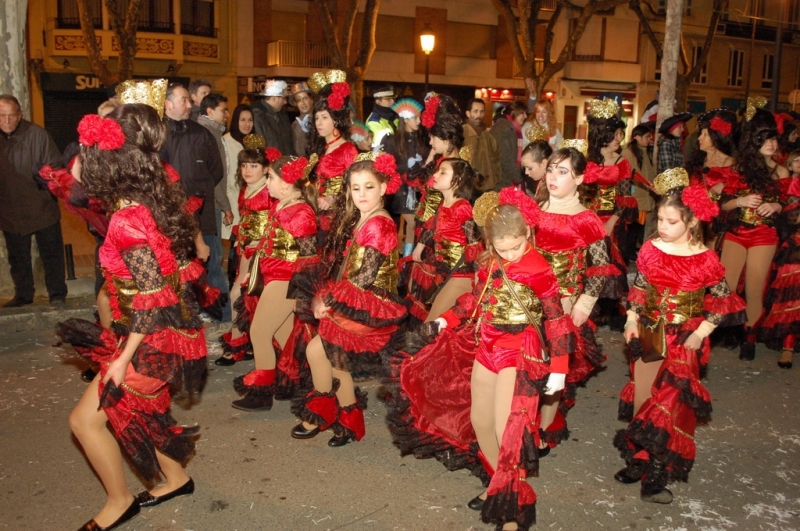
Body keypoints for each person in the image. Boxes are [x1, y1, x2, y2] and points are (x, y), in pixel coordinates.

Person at [386, 188, 577, 530]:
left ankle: (512, 506)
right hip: (486, 344)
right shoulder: (489, 260)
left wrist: (560, 369)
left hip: (520, 348)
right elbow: (476, 300)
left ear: (527, 234)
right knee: (479, 422)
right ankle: (497, 482)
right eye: (500, 248)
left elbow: (556, 319)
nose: (509, 254)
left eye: (515, 247)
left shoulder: (538, 268)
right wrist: (448, 319)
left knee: (509, 431)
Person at [60, 104, 212, 531]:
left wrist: (123, 359)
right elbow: (72, 175)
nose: (80, 160)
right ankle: (177, 478)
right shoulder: (146, 195)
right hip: (155, 328)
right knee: (144, 410)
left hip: (151, 335)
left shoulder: (127, 219)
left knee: (84, 421)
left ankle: (119, 501)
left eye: (89, 152)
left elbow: (152, 296)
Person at [616, 167, 745, 505]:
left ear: (691, 223)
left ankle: (658, 471)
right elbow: (641, 288)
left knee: (670, 405)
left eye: (671, 221)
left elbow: (723, 301)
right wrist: (631, 319)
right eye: (660, 219)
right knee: (644, 397)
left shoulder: (705, 259)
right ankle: (640, 457)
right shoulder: (651, 249)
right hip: (649, 332)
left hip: (685, 338)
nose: (662, 226)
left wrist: (701, 333)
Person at [290, 155, 406, 446]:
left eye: (369, 187)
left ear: (384, 187)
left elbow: (365, 277)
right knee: (329, 356)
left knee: (323, 351)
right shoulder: (364, 217)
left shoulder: (379, 224)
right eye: (356, 188)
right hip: (354, 297)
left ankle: (333, 411)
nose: (362, 194)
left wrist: (327, 300)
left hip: (368, 303)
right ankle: (344, 415)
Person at [534, 145, 612, 449]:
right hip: (529, 297)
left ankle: (543, 427)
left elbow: (602, 266)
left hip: (564, 300)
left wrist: (584, 304)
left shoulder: (586, 218)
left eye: (563, 171)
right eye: (551, 169)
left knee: (555, 364)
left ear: (579, 178)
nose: (553, 176)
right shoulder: (535, 209)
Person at [231, 154, 320, 409]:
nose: (267, 182)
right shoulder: (280, 205)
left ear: (286, 183)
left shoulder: (301, 211)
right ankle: (302, 383)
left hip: (286, 281)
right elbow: (270, 244)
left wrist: (305, 293)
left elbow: (309, 256)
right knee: (282, 337)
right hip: (273, 277)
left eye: (271, 177)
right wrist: (254, 270)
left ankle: (261, 394)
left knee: (259, 333)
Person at [160, 83, 231, 337]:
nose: (191, 105)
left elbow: (216, 171)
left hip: (202, 213)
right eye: (184, 100)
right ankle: (186, 320)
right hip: (171, 218)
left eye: (190, 101)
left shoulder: (201, 133)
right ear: (168, 104)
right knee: (178, 270)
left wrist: (199, 191)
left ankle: (223, 318)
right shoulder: (158, 134)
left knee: (211, 266)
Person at [719, 107, 789, 361]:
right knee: (723, 286)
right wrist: (740, 201)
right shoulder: (738, 170)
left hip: (764, 235)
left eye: (773, 138)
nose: (771, 144)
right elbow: (723, 204)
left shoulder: (781, 172)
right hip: (737, 233)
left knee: (754, 288)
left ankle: (749, 336)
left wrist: (778, 205)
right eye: (765, 139)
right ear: (754, 141)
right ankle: (722, 330)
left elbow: (791, 206)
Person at [215, 135, 277, 367]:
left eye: (254, 166)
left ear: (265, 168)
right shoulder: (246, 189)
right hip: (246, 249)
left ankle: (245, 345)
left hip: (264, 252)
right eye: (244, 165)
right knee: (242, 296)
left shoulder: (269, 190)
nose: (248, 170)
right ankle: (242, 343)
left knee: (245, 297)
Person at [0, 94, 67, 308]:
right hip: (9, 209)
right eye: (2, 116)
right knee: (18, 258)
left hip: (41, 207)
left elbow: (56, 166)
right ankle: (23, 294)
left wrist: (44, 176)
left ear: (20, 115)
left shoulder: (37, 134)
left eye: (12, 116)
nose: (7, 121)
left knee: (51, 254)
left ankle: (56, 293)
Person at [406, 158, 483, 324]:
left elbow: (475, 244)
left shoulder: (462, 207)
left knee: (431, 326)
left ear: (458, 180)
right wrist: (420, 244)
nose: (435, 175)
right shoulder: (444, 203)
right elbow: (433, 225)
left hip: (461, 275)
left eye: (442, 172)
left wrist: (478, 279)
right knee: (442, 328)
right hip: (445, 275)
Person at [583, 98, 638, 330]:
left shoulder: (622, 161)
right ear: (601, 135)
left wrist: (611, 222)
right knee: (589, 265)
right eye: (614, 134)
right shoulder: (585, 160)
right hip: (586, 219)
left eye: (620, 134)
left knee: (610, 263)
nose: (619, 139)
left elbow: (625, 199)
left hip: (611, 220)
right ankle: (590, 309)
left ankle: (613, 309)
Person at [305, 70, 358, 242]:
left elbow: (354, 187)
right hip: (316, 215)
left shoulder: (348, 149)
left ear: (335, 120)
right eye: (317, 117)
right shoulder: (320, 147)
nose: (318, 123)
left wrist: (332, 198)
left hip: (336, 219)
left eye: (324, 117)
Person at [759, 157, 800, 368]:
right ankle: (788, 346)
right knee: (793, 296)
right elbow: (791, 218)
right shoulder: (796, 183)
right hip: (797, 246)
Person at [381, 97, 429, 257]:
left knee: (415, 223)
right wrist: (406, 167)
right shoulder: (393, 140)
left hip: (418, 189)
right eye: (415, 117)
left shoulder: (422, 139)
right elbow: (388, 166)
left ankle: (407, 256)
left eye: (420, 116)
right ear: (406, 118)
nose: (419, 120)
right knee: (412, 222)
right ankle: (404, 256)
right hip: (401, 190)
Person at [684, 108, 738, 250]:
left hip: (716, 221)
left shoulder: (730, 163)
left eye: (705, 135)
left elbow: (734, 191)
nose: (699, 138)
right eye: (700, 134)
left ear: (715, 138)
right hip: (692, 218)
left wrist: (723, 187)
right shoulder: (696, 161)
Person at [197, 93, 234, 263]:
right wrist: (225, 206)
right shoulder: (209, 134)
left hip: (207, 202)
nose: (227, 115)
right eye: (223, 110)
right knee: (215, 254)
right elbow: (216, 175)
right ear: (210, 112)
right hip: (210, 204)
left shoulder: (209, 132)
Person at [221, 104, 254, 282]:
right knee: (231, 249)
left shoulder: (254, 141)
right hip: (233, 201)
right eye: (243, 119)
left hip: (250, 202)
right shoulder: (226, 141)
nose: (247, 124)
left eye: (250, 120)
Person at [621, 122, 657, 256]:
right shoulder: (628, 152)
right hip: (635, 196)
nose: (649, 140)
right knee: (632, 227)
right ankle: (628, 253)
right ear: (636, 137)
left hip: (643, 195)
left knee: (637, 227)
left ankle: (631, 251)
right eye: (647, 137)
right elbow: (627, 175)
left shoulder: (644, 151)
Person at [463, 98, 502, 191]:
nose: (478, 115)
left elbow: (496, 158)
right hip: (466, 188)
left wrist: (495, 178)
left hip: (487, 188)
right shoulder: (461, 134)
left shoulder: (488, 136)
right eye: (475, 111)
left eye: (481, 112)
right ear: (468, 113)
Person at [251, 79, 296, 156]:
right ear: (274, 97)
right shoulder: (257, 117)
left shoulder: (283, 117)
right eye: (284, 98)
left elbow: (289, 145)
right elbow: (259, 150)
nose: (285, 102)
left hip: (285, 165)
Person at [490, 101, 527, 190]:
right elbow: (504, 157)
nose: (525, 116)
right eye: (522, 113)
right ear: (513, 113)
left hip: (504, 179)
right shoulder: (503, 128)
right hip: (500, 181)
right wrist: (518, 176)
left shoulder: (512, 129)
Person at [365, 84, 398, 148]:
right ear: (378, 102)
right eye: (388, 99)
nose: (392, 102)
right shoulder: (373, 122)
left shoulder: (395, 117)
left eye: (393, 99)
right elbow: (384, 145)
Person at [291, 81, 314, 156]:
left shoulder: (318, 120)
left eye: (305, 98)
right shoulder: (294, 124)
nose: (303, 103)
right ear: (296, 104)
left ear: (311, 100)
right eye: (299, 100)